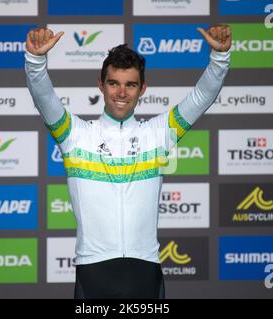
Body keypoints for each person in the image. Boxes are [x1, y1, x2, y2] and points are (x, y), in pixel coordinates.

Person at [25, 25, 231, 299]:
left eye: (130, 84)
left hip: (144, 272)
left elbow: (202, 97)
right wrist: (35, 60)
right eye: (114, 83)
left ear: (142, 89)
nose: (122, 92)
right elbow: (43, 97)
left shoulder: (158, 134)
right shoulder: (75, 135)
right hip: (93, 272)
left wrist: (219, 58)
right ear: (101, 85)